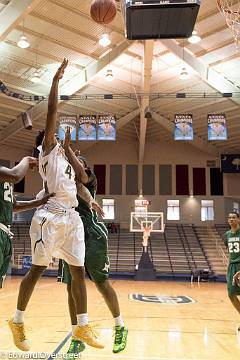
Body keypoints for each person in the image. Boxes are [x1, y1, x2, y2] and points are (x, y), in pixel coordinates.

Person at [8, 59, 104, 352]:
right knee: (37, 270)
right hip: (50, 218)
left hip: (72, 218)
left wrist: (92, 200)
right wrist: (55, 81)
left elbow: (80, 182)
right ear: (46, 142)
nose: (58, 135)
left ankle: (81, 326)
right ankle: (17, 320)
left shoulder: (66, 160)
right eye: (53, 134)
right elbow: (51, 112)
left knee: (78, 272)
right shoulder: (48, 151)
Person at [58, 128, 128, 358]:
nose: (75, 163)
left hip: (91, 233)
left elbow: (80, 175)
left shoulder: (89, 179)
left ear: (85, 167)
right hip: (68, 234)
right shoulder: (64, 183)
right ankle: (77, 337)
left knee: (101, 283)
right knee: (71, 288)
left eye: (79, 161)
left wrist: (68, 149)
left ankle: (120, 326)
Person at [0, 156, 52, 289]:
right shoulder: (5, 173)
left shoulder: (4, 177)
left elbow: (13, 206)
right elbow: (16, 175)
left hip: (5, 234)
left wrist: (38, 202)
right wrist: (27, 159)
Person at [224, 212, 240, 330]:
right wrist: (228, 268)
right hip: (232, 266)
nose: (231, 219)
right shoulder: (227, 234)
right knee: (231, 294)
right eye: (229, 218)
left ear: (238, 219)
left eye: (234, 217)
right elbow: (230, 253)